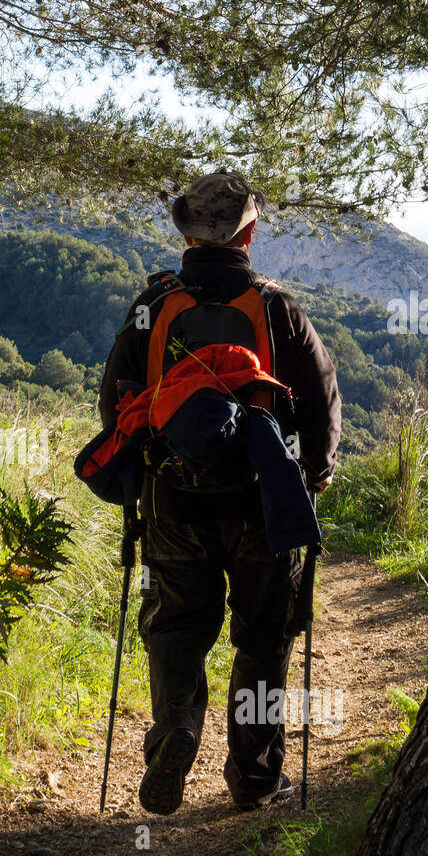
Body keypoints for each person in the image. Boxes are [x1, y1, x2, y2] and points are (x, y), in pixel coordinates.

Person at [98, 171, 341, 814]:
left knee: (176, 627)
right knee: (263, 637)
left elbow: (115, 403)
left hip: (173, 498)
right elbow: (319, 408)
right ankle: (255, 779)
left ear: (183, 231)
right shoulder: (277, 307)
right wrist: (309, 484)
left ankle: (176, 733)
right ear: (250, 232)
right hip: (261, 503)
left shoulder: (152, 305)